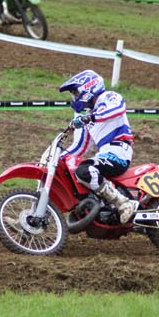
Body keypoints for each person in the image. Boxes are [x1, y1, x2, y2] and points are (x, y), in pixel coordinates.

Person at [58, 69, 137, 223]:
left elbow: (114, 110)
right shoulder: (88, 115)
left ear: (89, 87)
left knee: (85, 170)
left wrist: (90, 117)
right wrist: (55, 159)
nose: (74, 97)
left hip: (119, 151)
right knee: (74, 173)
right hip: (105, 154)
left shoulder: (109, 97)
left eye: (75, 92)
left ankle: (124, 203)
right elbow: (81, 146)